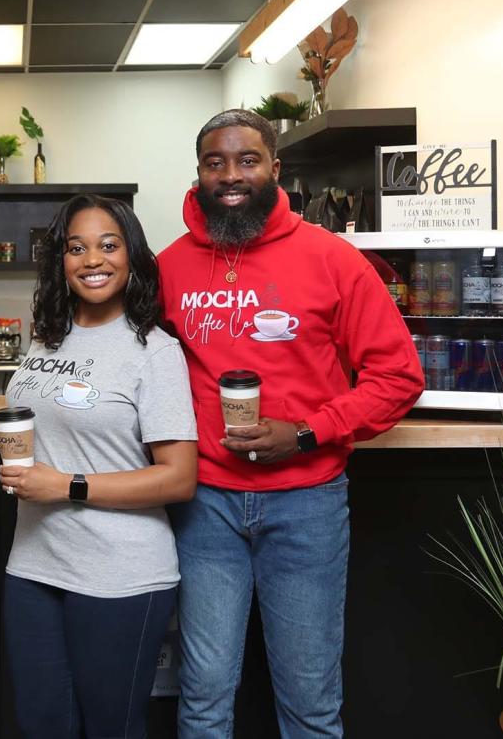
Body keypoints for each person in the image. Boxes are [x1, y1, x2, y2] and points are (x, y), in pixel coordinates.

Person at [158, 109, 424, 738]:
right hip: (205, 505)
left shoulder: (335, 260)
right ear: (198, 174)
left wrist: (306, 431)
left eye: (247, 160)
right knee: (202, 697)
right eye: (215, 163)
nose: (231, 175)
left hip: (307, 504)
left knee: (309, 701)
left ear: (276, 169)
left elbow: (398, 379)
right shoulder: (168, 267)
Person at [0, 193, 199, 739]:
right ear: (60, 261)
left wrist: (65, 484)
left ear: (131, 256)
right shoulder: (47, 335)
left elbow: (179, 478)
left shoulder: (153, 351)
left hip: (120, 574)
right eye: (77, 247)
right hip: (35, 564)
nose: (93, 260)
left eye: (109, 246)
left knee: (112, 727)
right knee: (42, 725)